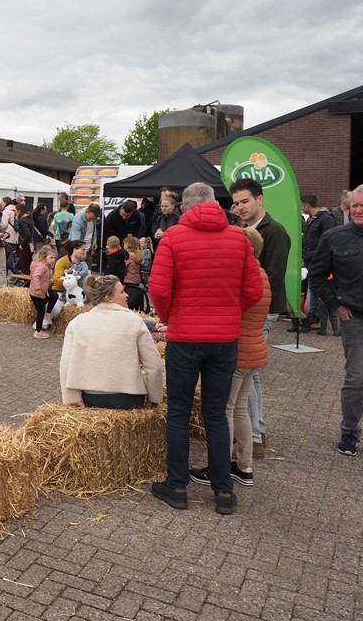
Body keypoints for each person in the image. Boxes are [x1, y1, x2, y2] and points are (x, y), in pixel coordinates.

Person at [148, 182, 262, 515]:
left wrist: (171, 316)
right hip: (224, 340)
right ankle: (223, 492)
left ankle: (178, 486)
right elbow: (253, 291)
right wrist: (227, 311)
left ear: (184, 207)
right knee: (215, 414)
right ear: (215, 203)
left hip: (185, 337)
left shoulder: (172, 238)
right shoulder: (238, 238)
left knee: (180, 412)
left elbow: (158, 287)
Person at [190, 227, 271, 488]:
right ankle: (244, 466)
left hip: (238, 350)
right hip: (253, 349)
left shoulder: (245, 276)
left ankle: (219, 467)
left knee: (224, 409)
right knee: (239, 408)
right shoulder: (261, 273)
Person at [308, 184, 363, 457]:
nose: (358, 210)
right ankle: (350, 431)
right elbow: (316, 275)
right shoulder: (335, 237)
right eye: (353, 206)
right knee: (356, 380)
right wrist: (335, 304)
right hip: (357, 320)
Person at [230, 177, 290, 457]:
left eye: (245, 201)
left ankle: (252, 437)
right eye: (237, 203)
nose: (240, 207)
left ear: (260, 199)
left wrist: (258, 311)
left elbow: (274, 277)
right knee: (250, 376)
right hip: (253, 311)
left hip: (260, 311)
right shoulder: (244, 228)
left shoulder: (274, 231)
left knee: (245, 373)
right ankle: (256, 433)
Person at [59, 274, 163, 409]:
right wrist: (154, 398)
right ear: (108, 298)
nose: (127, 295)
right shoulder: (134, 321)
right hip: (128, 397)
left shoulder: (77, 322)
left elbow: (65, 364)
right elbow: (154, 365)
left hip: (90, 396)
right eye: (122, 292)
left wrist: (71, 398)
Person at [301, 194, 337, 330]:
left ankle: (316, 316)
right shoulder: (312, 219)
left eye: (302, 205)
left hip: (318, 259)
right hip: (310, 257)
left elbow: (328, 240)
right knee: (312, 288)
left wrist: (318, 256)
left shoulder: (325, 219)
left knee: (316, 288)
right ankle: (314, 314)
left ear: (306, 205)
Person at [29, 245, 57, 339]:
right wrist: (38, 290)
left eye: (54, 258)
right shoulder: (42, 267)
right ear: (44, 258)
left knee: (54, 295)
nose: (53, 260)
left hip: (41, 290)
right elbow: (36, 277)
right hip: (37, 292)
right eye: (51, 258)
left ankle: (48, 314)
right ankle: (38, 331)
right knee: (41, 312)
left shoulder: (46, 267)